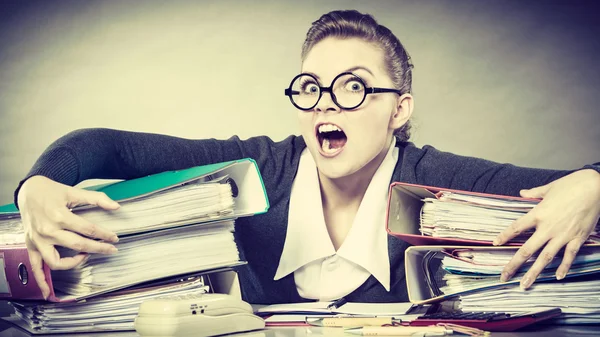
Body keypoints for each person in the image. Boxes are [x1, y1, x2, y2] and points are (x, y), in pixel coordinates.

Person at [16, 10, 600, 304]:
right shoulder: (258, 169)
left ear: (398, 110)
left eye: (353, 87)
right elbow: (104, 144)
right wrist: (37, 185)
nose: (327, 104)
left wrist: (593, 184)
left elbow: (574, 189)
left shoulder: (437, 180)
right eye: (311, 86)